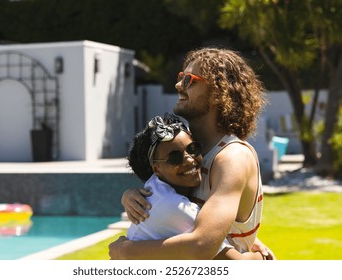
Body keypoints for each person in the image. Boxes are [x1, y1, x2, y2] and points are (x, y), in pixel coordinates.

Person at [109, 47, 275, 259]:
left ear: (218, 92)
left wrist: (126, 251)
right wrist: (130, 196)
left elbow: (202, 244)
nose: (178, 85)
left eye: (189, 80)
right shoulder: (193, 151)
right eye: (181, 77)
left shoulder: (232, 158)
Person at [125, 113, 263, 260]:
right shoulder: (175, 207)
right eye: (175, 157)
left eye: (193, 149)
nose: (190, 159)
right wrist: (260, 257)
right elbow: (235, 263)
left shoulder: (157, 188)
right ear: (156, 168)